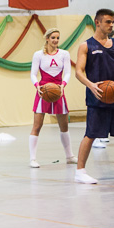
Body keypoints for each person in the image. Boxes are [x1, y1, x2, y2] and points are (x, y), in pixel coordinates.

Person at [73, 9, 114, 183]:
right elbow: (78, 72)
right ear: (97, 22)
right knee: (91, 134)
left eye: (113, 22)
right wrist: (91, 85)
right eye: (108, 22)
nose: (111, 25)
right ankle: (80, 171)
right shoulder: (86, 46)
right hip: (97, 96)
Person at [28, 28, 78, 168]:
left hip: (58, 91)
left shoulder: (64, 54)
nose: (56, 40)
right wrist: (37, 86)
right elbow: (33, 74)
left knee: (64, 126)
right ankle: (32, 159)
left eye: (58, 38)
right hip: (43, 91)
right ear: (47, 38)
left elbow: (68, 73)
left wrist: (63, 85)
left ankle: (69, 156)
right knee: (37, 126)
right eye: (53, 38)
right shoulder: (38, 55)